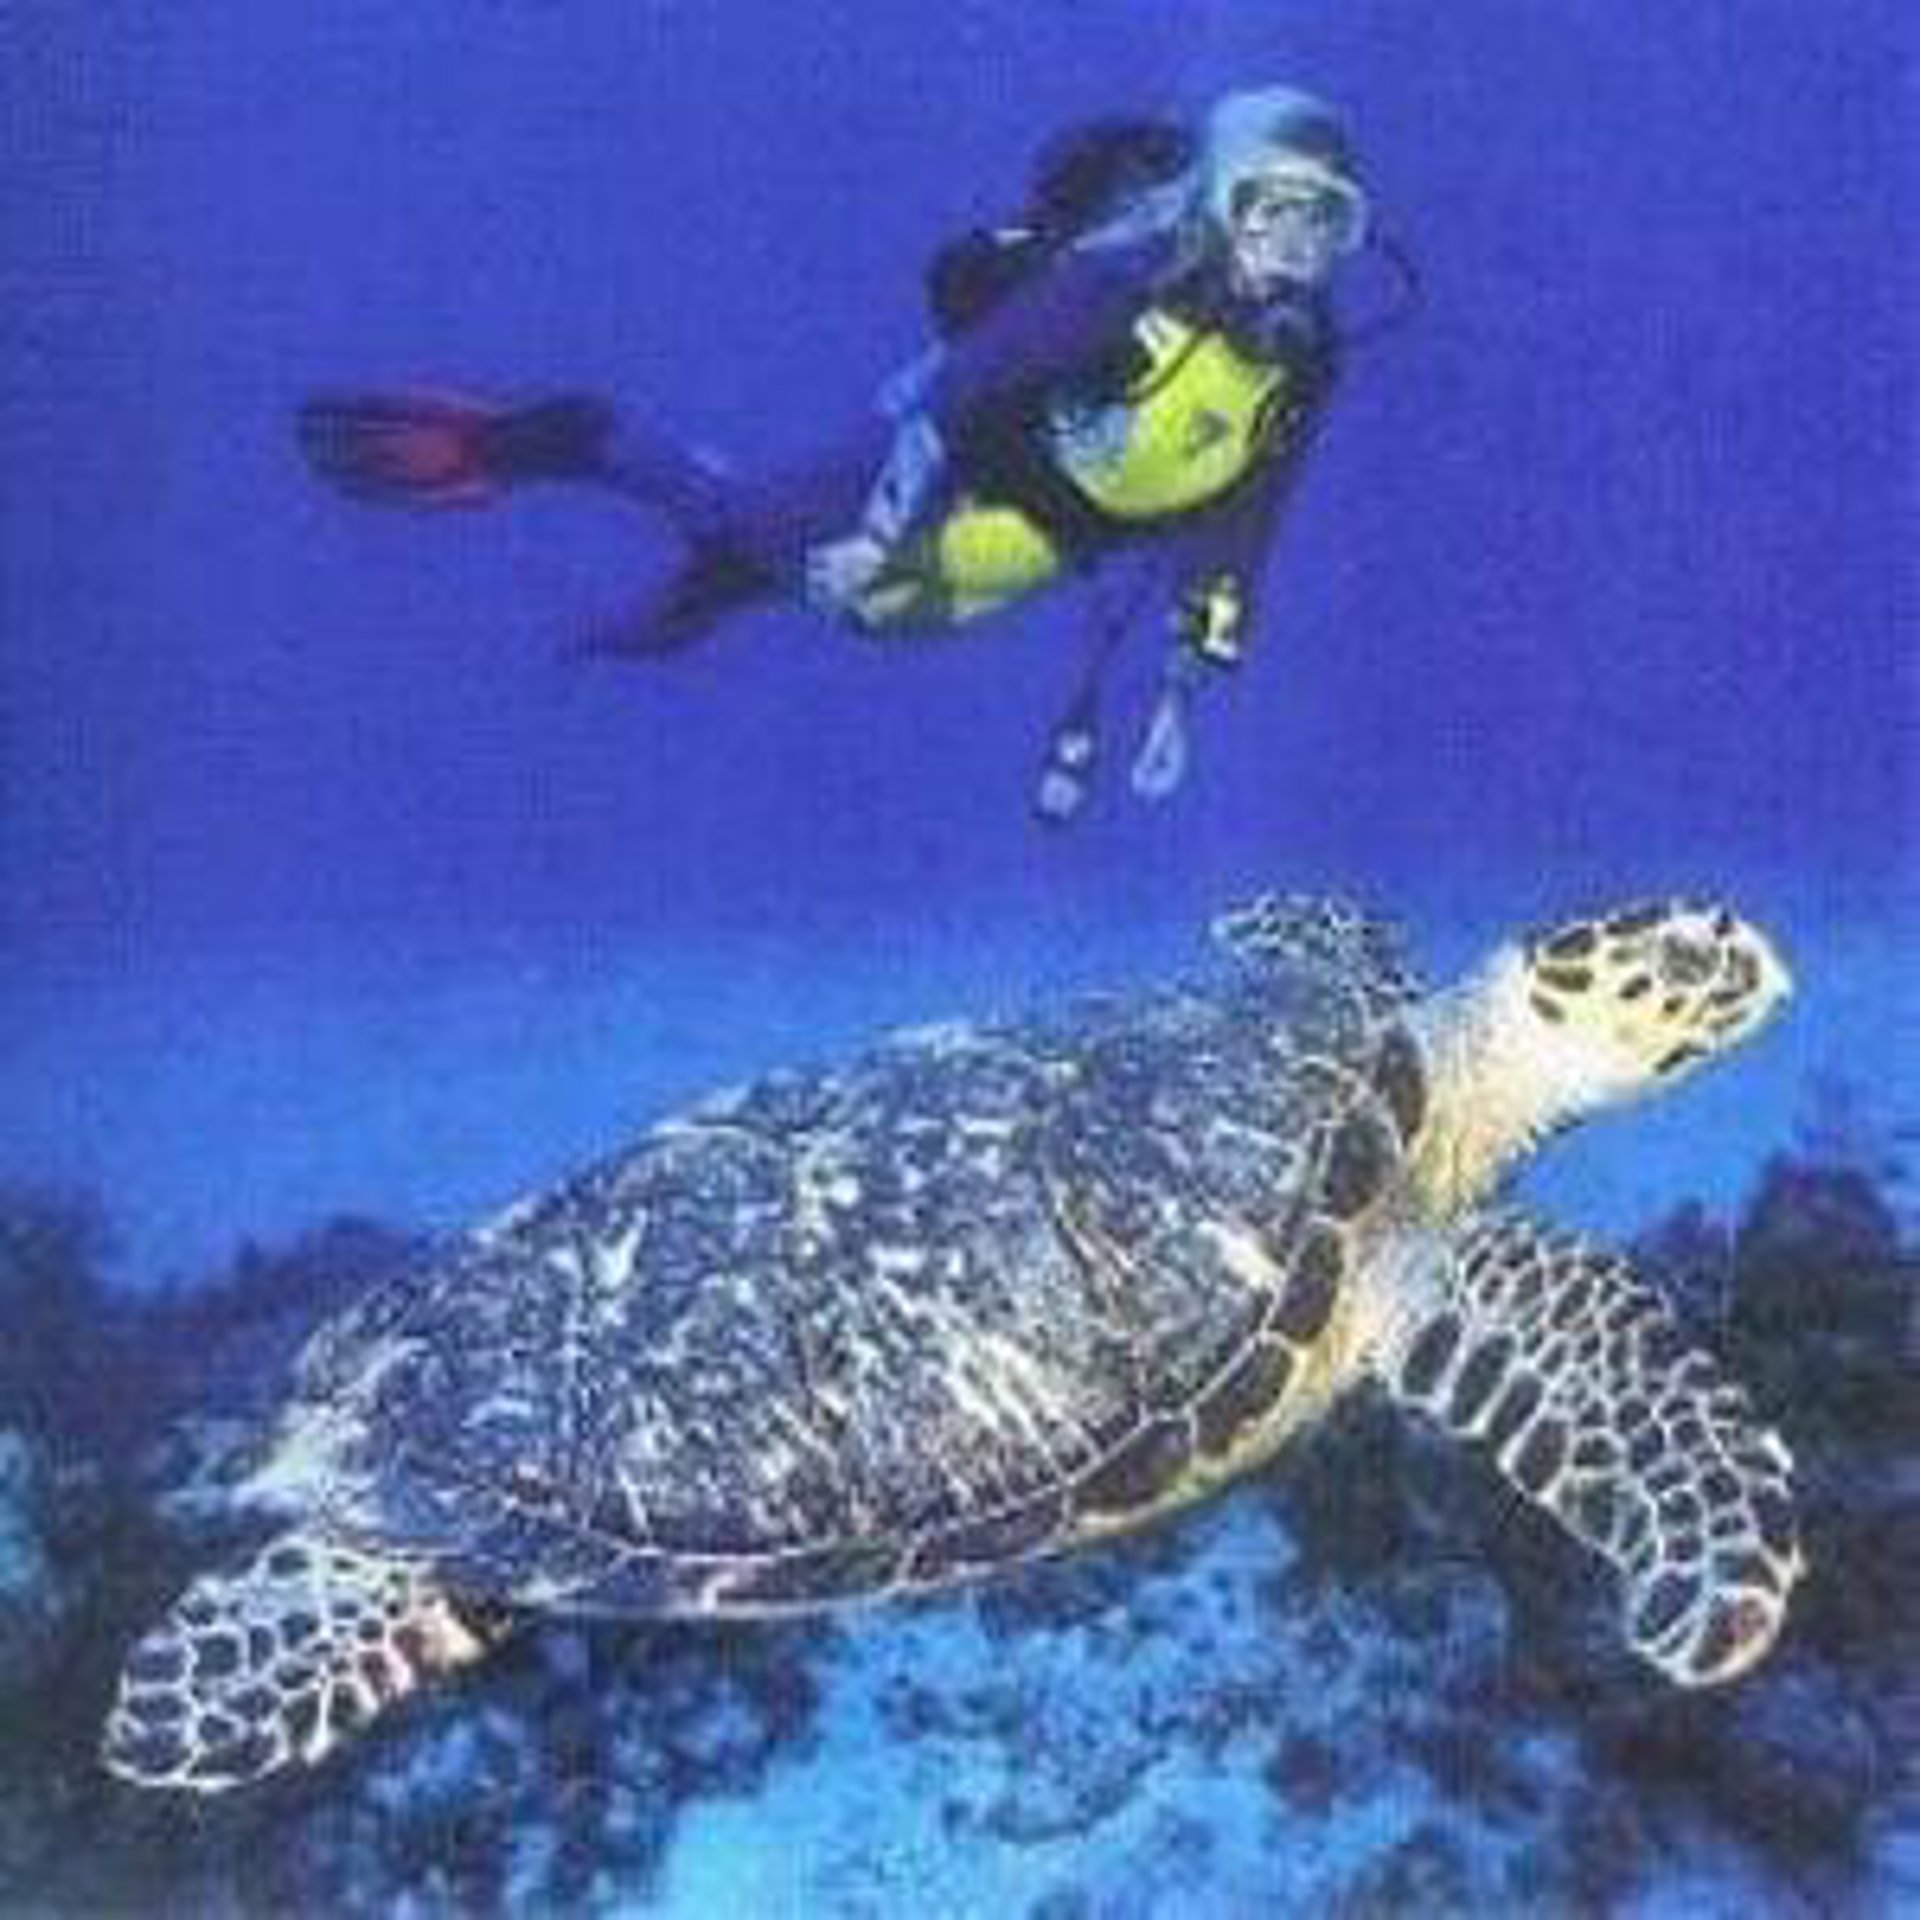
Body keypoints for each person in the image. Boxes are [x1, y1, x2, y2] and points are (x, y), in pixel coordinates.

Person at [299, 85, 1412, 820]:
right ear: (1219, 200)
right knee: (744, 528)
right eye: (1273, 209)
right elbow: (953, 400)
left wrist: (1181, 689)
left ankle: (727, 582)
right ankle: (559, 437)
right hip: (929, 474)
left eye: (1328, 221)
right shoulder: (1114, 286)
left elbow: (1247, 524)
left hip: (1037, 545)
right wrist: (880, 535)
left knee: (852, 616)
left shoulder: (1304, 361)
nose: (1298, 247)